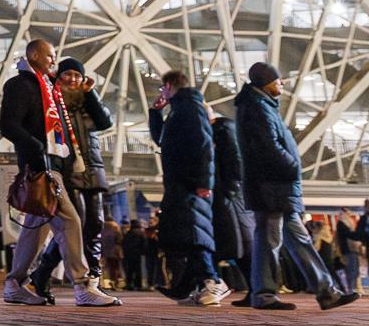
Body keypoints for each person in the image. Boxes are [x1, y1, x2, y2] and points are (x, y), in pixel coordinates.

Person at [0, 38, 118, 308]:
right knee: (71, 221)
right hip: (42, 166)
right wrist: (36, 148)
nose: (54, 60)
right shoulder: (20, 85)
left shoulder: (48, 88)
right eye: (50, 55)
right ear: (36, 55)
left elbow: (99, 120)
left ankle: (14, 283)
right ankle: (83, 284)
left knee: (36, 230)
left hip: (53, 164)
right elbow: (8, 124)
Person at [236, 62, 357, 311]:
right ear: (265, 82)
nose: (281, 84)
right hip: (272, 187)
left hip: (277, 187)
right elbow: (267, 146)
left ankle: (326, 292)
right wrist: (292, 166)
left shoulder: (262, 105)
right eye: (278, 80)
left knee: (299, 240)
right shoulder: (257, 108)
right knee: (269, 240)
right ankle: (265, 295)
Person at [26, 58, 113, 300]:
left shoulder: (87, 102)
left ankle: (87, 279)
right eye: (68, 74)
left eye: (77, 75)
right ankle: (73, 278)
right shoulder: (52, 101)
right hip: (67, 171)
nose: (73, 79)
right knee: (76, 225)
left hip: (92, 170)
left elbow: (105, 121)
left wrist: (92, 94)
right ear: (58, 76)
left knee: (94, 225)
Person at [149, 69, 221, 304]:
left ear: (169, 86)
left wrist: (203, 181)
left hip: (189, 184)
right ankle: (187, 286)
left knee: (193, 234)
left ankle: (212, 282)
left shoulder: (189, 107)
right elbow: (161, 139)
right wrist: (154, 113)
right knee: (185, 234)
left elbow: (204, 145)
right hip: (181, 183)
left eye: (162, 87)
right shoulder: (180, 109)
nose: (161, 92)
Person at [209, 114, 251, 296]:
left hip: (228, 195)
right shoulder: (226, 130)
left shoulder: (223, 131)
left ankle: (214, 284)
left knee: (235, 243)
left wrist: (230, 189)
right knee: (237, 244)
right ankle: (254, 288)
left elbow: (234, 162)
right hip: (229, 194)